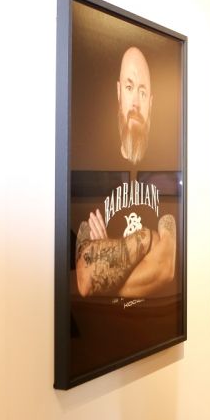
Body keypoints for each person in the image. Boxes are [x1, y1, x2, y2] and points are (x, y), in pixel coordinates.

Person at [74, 46, 177, 298]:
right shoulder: (93, 173)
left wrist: (110, 254)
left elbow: (165, 269)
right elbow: (87, 279)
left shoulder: (168, 178)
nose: (135, 102)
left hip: (156, 325)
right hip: (109, 330)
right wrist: (147, 238)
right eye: (130, 88)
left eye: (143, 92)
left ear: (151, 103)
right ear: (118, 92)